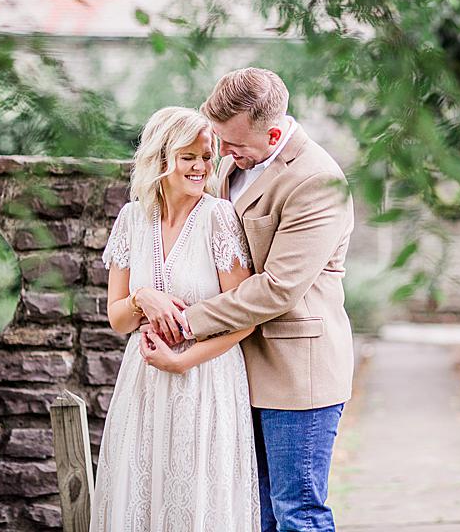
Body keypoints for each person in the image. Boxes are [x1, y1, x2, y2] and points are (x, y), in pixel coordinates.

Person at [142, 67, 355, 532]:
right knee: (248, 510)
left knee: (297, 513)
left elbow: (278, 286)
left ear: (274, 132)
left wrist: (187, 321)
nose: (221, 154)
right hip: (233, 369)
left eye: (233, 144)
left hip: (296, 372)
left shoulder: (318, 182)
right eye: (219, 141)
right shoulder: (230, 164)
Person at [90, 106, 260, 532]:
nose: (202, 166)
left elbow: (246, 319)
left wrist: (183, 360)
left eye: (208, 156)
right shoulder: (132, 218)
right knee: (141, 499)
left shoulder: (218, 217)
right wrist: (144, 298)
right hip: (143, 382)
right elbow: (117, 318)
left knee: (199, 503)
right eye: (190, 156)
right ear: (162, 157)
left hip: (206, 379)